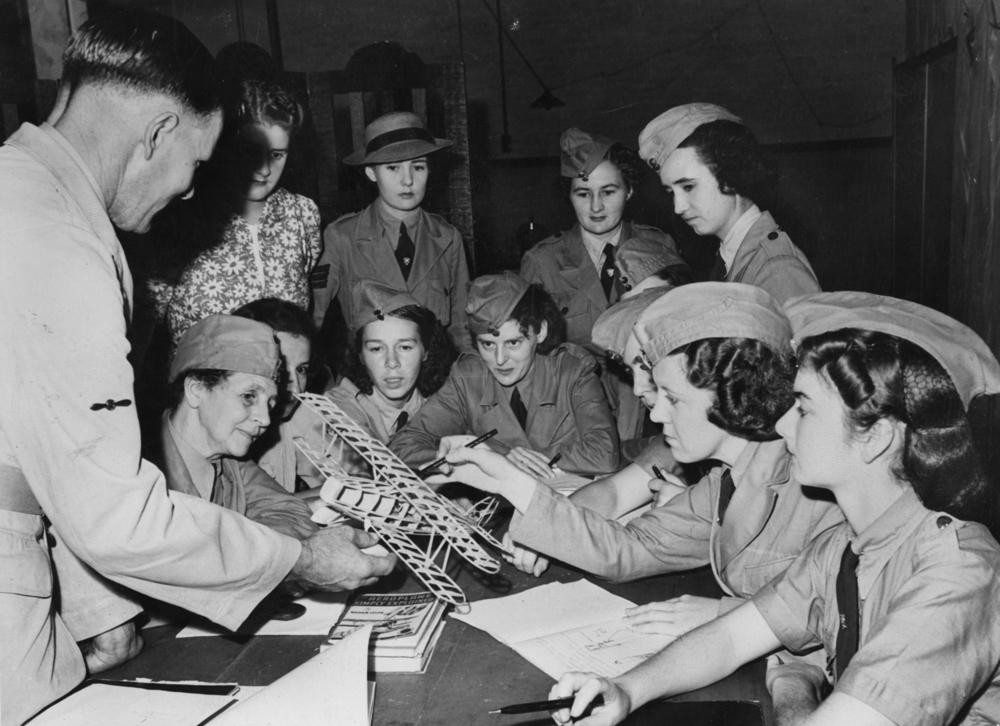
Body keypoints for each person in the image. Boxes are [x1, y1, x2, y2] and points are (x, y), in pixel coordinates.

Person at [0, 13, 393, 724]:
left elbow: (39, 452)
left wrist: (102, 611)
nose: (188, 192)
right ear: (155, 133)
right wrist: (295, 560)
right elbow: (117, 515)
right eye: (196, 165)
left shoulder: (18, 192)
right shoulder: (58, 241)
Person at [546, 292, 1000, 726]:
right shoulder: (841, 547)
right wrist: (625, 690)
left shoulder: (957, 569)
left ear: (876, 437)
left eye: (803, 408)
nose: (781, 422)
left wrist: (794, 688)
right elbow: (730, 638)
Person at [431, 283, 841, 650]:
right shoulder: (722, 482)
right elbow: (626, 548)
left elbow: (836, 614)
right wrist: (508, 480)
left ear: (729, 393)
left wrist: (727, 611)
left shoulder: (812, 479)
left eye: (671, 397)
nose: (654, 409)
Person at [521, 127, 690, 441]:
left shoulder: (658, 245)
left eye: (608, 191)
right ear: (569, 196)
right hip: (575, 416)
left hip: (651, 410)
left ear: (628, 191)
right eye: (583, 194)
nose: (595, 206)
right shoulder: (542, 262)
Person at [391, 272, 620, 478]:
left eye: (513, 343)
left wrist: (503, 460)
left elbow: (604, 453)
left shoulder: (572, 371)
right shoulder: (468, 378)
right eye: (488, 345)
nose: (500, 359)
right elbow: (403, 446)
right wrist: (478, 461)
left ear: (540, 332)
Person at [165, 78, 321, 344]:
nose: (264, 170)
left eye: (277, 155)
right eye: (251, 152)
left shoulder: (302, 213)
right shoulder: (180, 218)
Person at [311, 111, 471, 349]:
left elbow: (461, 329)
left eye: (418, 167)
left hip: (436, 380)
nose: (407, 180)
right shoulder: (342, 237)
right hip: (369, 381)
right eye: (393, 168)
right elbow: (315, 320)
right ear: (371, 173)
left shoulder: (448, 238)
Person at [154, 314, 316, 539]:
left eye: (270, 403)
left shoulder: (231, 464)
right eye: (249, 396)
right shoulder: (143, 471)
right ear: (196, 390)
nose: (266, 419)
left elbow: (295, 514)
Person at [638, 103, 819, 303]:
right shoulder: (732, 255)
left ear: (730, 171)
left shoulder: (778, 269)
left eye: (688, 187)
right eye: (671, 192)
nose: (678, 207)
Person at [321, 279, 456, 473]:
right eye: (376, 348)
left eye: (405, 347)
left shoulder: (444, 408)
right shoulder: (339, 409)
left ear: (426, 351)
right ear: (360, 355)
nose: (392, 362)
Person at [232, 297, 320, 492]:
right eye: (280, 369)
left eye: (301, 369)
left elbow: (352, 478)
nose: (296, 389)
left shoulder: (297, 416)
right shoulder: (225, 432)